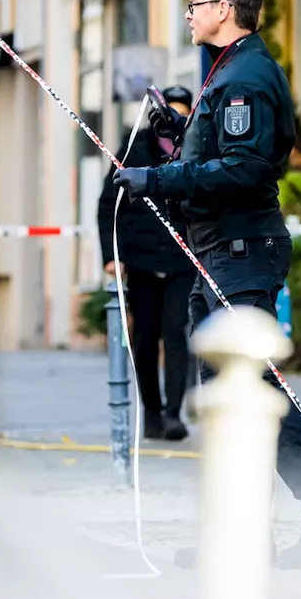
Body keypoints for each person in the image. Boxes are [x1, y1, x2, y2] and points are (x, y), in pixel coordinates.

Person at [112, 0, 301, 570]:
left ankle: (275, 528)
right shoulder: (231, 72)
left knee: (239, 396)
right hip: (222, 252)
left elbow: (245, 170)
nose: (190, 13)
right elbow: (230, 155)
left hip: (238, 253)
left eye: (196, 3)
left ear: (224, 10)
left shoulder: (245, 78)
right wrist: (181, 132)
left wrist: (157, 176)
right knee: (246, 391)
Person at [98, 85, 197, 442]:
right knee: (144, 339)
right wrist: (112, 256)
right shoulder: (131, 150)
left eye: (180, 113)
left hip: (180, 260)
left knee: (175, 334)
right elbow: (109, 204)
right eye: (167, 112)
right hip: (140, 260)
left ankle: (173, 414)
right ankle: (151, 412)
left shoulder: (195, 150)